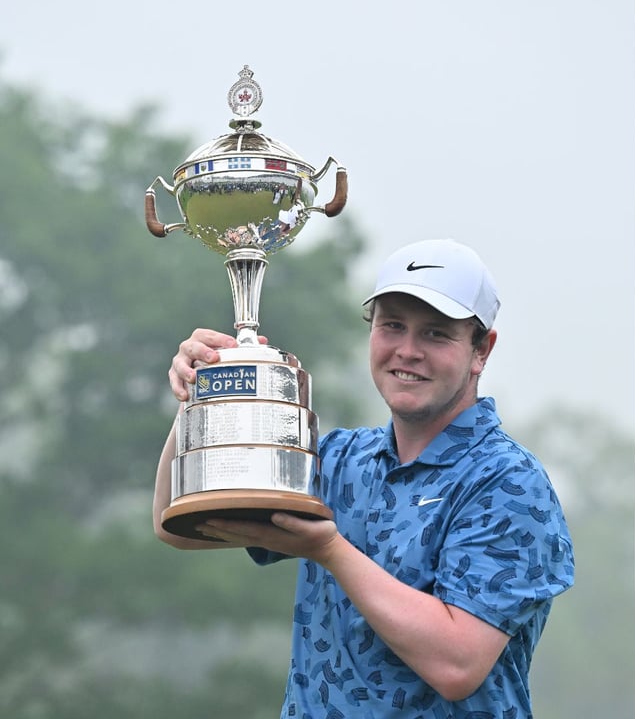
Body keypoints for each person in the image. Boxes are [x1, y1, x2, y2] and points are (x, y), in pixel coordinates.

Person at [153, 239, 574, 717]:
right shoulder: (339, 459)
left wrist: (329, 551)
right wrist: (198, 395)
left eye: (436, 334)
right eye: (392, 325)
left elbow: (458, 664)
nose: (408, 351)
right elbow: (177, 523)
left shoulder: (507, 482)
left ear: (481, 351)